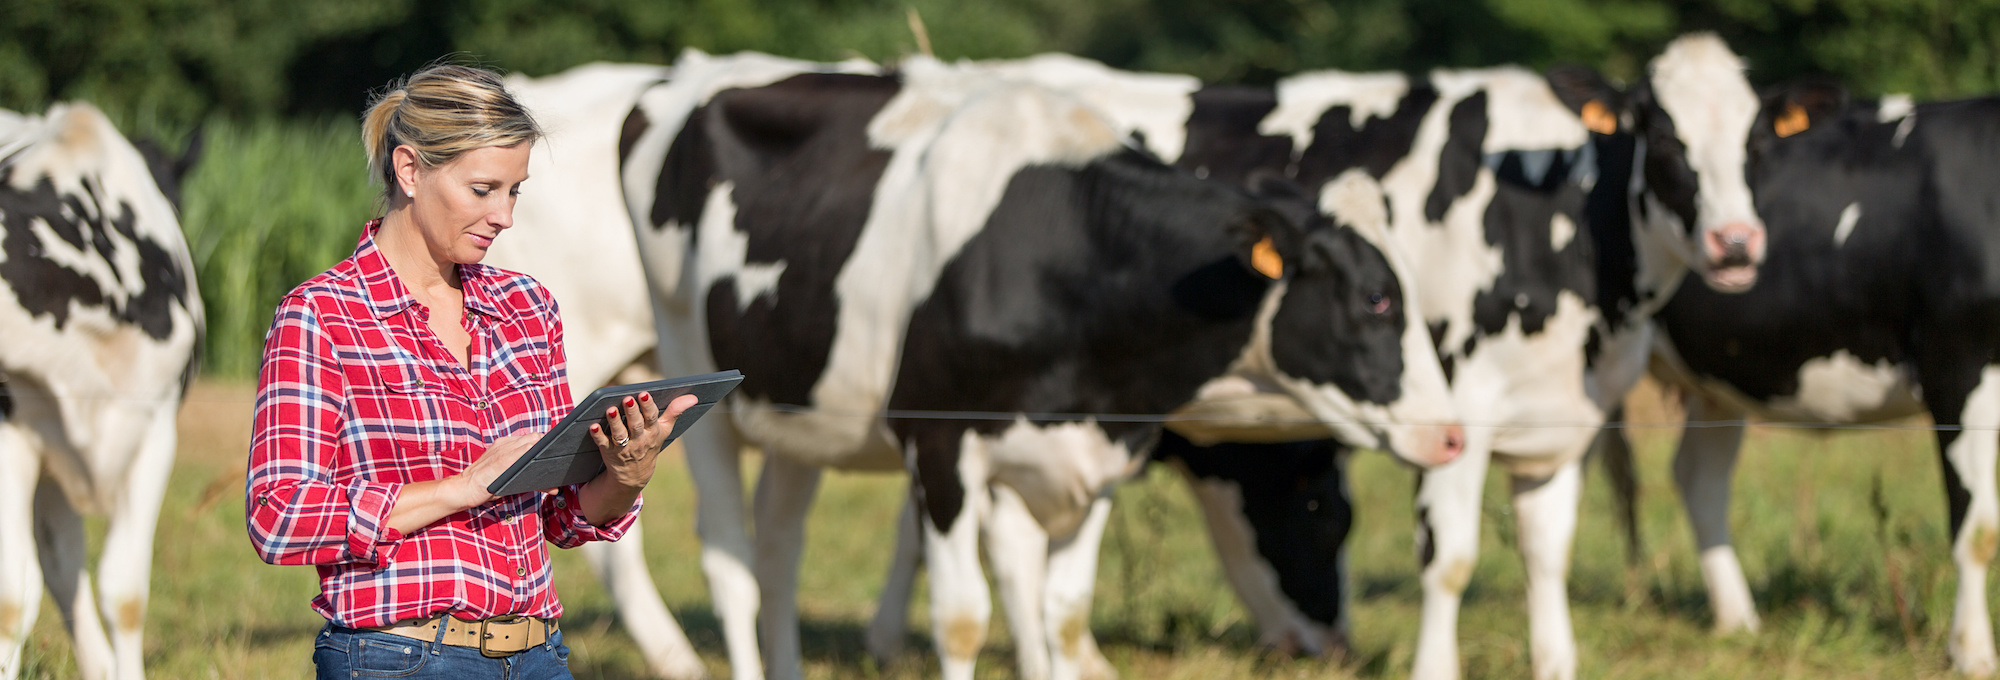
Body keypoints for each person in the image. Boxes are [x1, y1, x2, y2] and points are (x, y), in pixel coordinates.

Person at [245, 62, 695, 679]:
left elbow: (560, 516)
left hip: (539, 655)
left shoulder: (528, 308)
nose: (505, 216)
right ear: (409, 171)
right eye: (483, 190)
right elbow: (278, 517)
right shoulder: (322, 316)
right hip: (396, 658)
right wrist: (464, 487)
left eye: (515, 191)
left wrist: (625, 474)